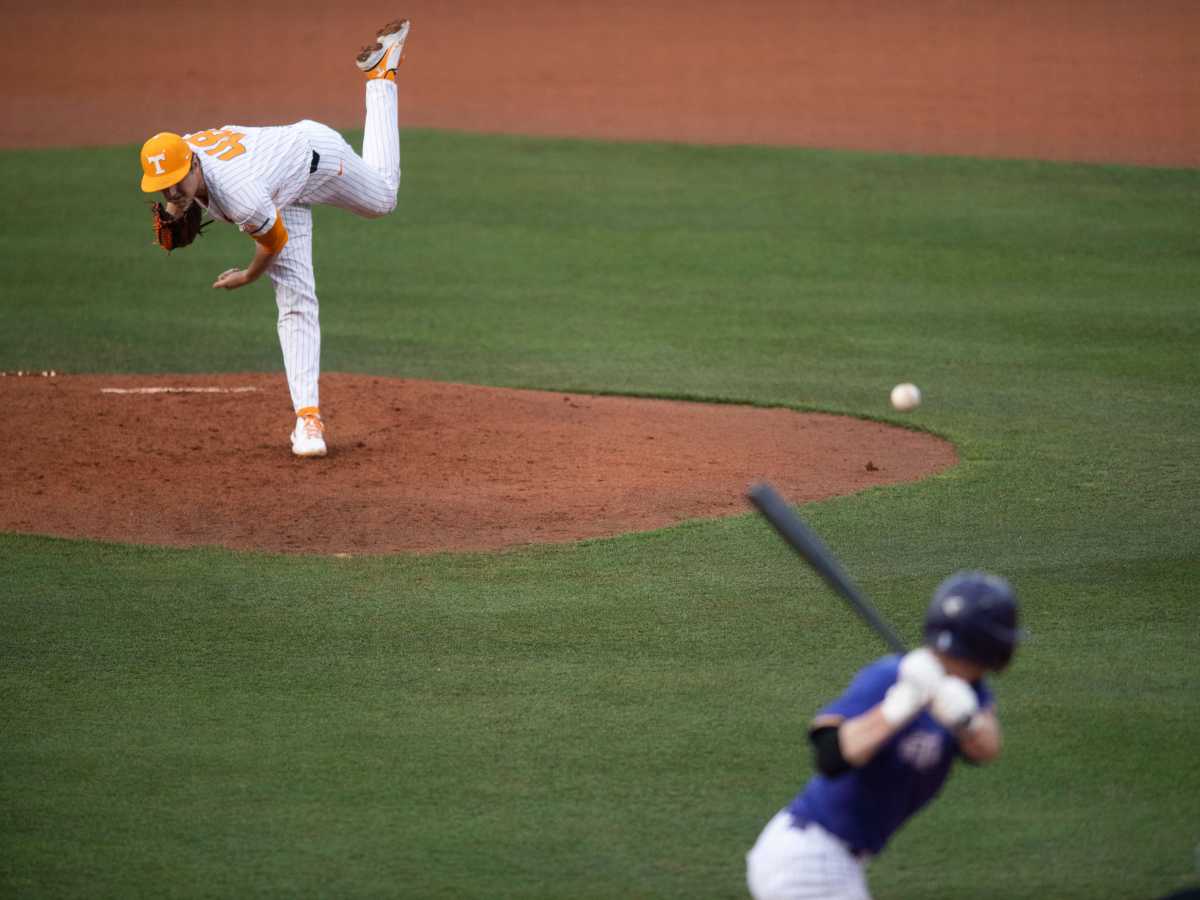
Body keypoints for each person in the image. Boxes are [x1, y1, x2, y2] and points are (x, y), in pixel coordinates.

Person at [137, 19, 411, 458]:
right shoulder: (182, 154)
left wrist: (246, 277)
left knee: (384, 199)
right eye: (163, 186)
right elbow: (177, 181)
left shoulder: (240, 195)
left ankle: (381, 77)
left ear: (193, 165)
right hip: (280, 188)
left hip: (317, 160)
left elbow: (273, 242)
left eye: (176, 182)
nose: (171, 193)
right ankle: (308, 420)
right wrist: (176, 206)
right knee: (296, 300)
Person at [746, 570, 1022, 900]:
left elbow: (985, 750)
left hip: (836, 862)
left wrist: (968, 721)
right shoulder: (891, 676)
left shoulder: (970, 691)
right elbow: (829, 756)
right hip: (807, 861)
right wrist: (896, 709)